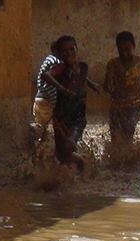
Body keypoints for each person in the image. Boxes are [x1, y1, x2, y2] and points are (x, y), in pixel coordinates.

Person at [48, 35, 101, 169]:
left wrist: (91, 84)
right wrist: (61, 87)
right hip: (61, 117)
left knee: (68, 146)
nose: (69, 53)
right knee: (61, 154)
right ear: (59, 54)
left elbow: (81, 76)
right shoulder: (60, 69)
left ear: (76, 49)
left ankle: (80, 165)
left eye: (72, 49)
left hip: (78, 117)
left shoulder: (83, 67)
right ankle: (79, 168)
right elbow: (46, 75)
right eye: (65, 51)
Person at [103, 31, 140, 144]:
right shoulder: (113, 64)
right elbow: (107, 85)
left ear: (134, 47)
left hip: (134, 105)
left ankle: (128, 155)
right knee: (115, 135)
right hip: (117, 105)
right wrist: (109, 87)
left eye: (128, 50)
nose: (124, 54)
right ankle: (117, 157)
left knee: (128, 130)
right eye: (121, 50)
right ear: (117, 49)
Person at [30, 39, 63, 141]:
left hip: (38, 99)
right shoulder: (57, 63)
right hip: (47, 101)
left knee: (40, 127)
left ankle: (36, 149)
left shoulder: (47, 60)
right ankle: (44, 150)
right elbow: (52, 84)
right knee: (49, 130)